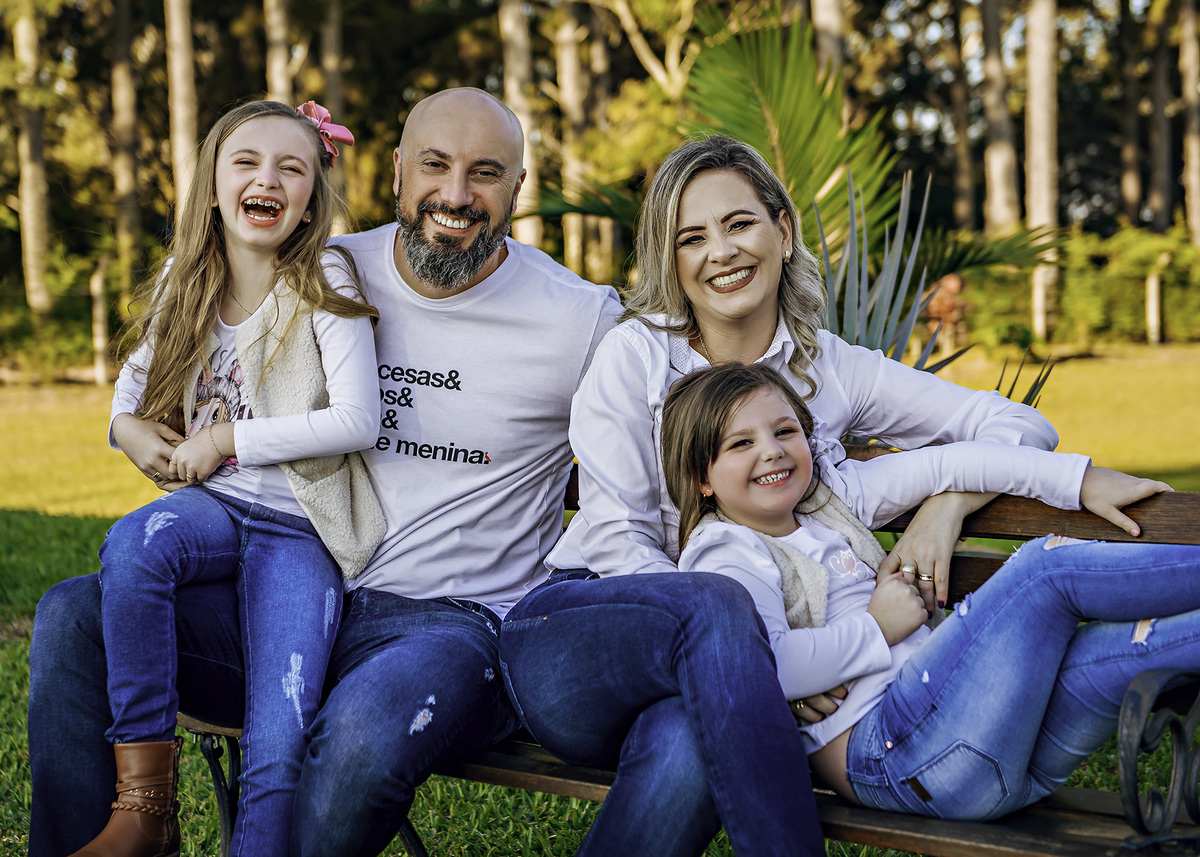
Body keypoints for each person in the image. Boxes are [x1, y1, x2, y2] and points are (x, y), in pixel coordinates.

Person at [27, 88, 621, 857]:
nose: (455, 194)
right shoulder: (328, 268)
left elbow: (672, 437)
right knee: (73, 616)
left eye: (485, 172)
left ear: (518, 185)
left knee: (362, 731)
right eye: (435, 165)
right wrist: (131, 423)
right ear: (398, 170)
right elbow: (199, 328)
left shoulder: (579, 317)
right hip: (307, 589)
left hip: (450, 622)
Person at [499, 135, 1065, 855]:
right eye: (692, 238)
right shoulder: (634, 356)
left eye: (739, 224)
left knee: (685, 743)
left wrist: (945, 506)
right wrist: (756, 661)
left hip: (722, 672)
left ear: (783, 230)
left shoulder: (830, 368)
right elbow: (617, 539)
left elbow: (1021, 426)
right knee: (715, 606)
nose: (721, 252)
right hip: (581, 638)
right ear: (671, 259)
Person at [663, 361, 1196, 820]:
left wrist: (1079, 481)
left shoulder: (831, 498)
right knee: (1043, 571)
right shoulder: (724, 551)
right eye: (741, 443)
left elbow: (953, 461)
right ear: (702, 478)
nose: (773, 451)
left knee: (1128, 647)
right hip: (899, 753)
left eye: (785, 431)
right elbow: (758, 669)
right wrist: (877, 627)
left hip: (983, 748)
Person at [68, 98, 383, 857]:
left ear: (311, 199)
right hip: (215, 510)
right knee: (134, 545)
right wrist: (124, 429)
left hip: (300, 529)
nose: (266, 179)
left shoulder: (323, 277)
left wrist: (227, 438)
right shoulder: (186, 279)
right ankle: (145, 803)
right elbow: (128, 392)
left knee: (280, 732)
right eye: (246, 162)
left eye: (290, 168)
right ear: (212, 186)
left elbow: (358, 419)